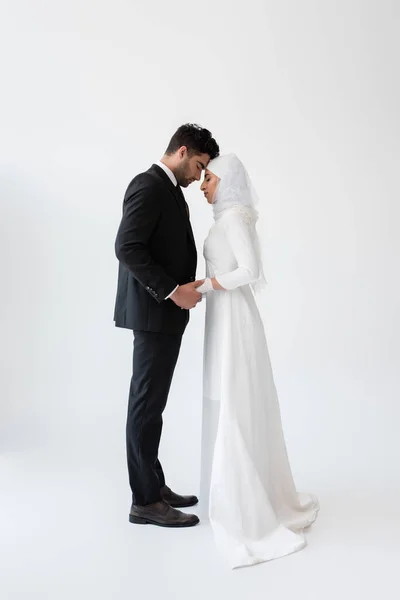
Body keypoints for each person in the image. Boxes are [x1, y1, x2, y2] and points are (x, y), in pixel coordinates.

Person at [197, 154, 319, 567]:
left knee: (235, 399)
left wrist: (207, 284)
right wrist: (210, 288)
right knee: (228, 396)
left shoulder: (233, 218)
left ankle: (244, 504)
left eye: (209, 178)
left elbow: (250, 270)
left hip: (235, 318)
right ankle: (231, 490)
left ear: (226, 181)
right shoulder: (227, 217)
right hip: (223, 316)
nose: (203, 185)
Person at [114, 124, 219, 528]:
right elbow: (126, 246)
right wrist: (173, 290)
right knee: (144, 406)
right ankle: (144, 501)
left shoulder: (169, 189)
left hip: (164, 315)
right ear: (181, 151)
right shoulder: (148, 184)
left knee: (152, 407)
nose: (198, 177)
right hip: (154, 313)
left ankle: (153, 486)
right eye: (198, 165)